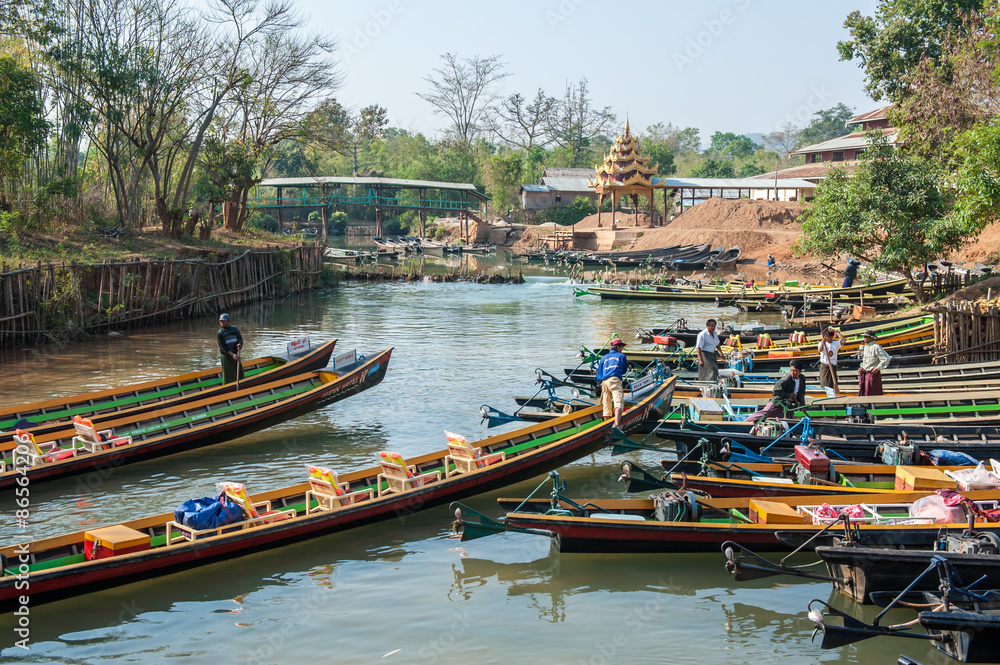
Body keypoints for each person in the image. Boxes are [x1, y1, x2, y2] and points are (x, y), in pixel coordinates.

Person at [745, 359, 807, 424]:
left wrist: (802, 405)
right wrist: (788, 395)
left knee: (789, 418)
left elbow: (801, 393)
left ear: (800, 371)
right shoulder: (785, 380)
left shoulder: (802, 379)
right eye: (791, 370)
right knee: (765, 413)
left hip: (788, 404)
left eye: (795, 371)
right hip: (778, 402)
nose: (792, 373)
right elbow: (776, 391)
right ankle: (746, 422)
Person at [596, 338, 628, 428]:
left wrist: (600, 382)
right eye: (621, 347)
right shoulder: (621, 356)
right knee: (619, 403)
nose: (622, 349)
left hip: (604, 382)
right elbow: (624, 370)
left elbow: (599, 374)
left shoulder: (604, 357)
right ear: (617, 347)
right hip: (614, 380)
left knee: (606, 405)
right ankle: (617, 425)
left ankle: (607, 427)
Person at [858, 329, 891, 396]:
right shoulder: (866, 347)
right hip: (865, 373)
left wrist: (878, 368)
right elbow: (865, 360)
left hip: (872, 373)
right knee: (864, 392)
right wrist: (862, 366)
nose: (864, 338)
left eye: (866, 337)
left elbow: (886, 359)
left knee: (873, 392)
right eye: (864, 337)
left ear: (871, 338)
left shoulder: (876, 347)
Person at [217, 313, 244, 385]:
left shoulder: (234, 329)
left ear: (228, 321)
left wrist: (240, 344)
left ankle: (241, 384)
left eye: (224, 321)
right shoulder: (220, 333)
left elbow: (240, 339)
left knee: (239, 372)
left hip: (235, 353)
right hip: (227, 356)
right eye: (221, 321)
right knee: (228, 373)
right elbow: (223, 348)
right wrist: (232, 355)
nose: (222, 323)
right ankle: (227, 386)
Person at [817, 327, 846, 393]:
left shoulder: (835, 344)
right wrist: (822, 343)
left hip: (833, 366)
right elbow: (820, 350)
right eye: (824, 336)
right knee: (825, 383)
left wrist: (836, 332)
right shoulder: (822, 343)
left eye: (827, 336)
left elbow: (843, 340)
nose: (825, 338)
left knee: (833, 383)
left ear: (831, 337)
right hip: (825, 366)